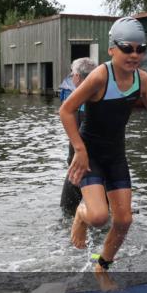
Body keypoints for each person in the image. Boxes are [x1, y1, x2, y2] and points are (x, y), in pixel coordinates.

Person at [59, 17, 147, 273]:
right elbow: (66, 111)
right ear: (112, 49)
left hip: (116, 155)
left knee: (124, 220)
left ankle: (102, 267)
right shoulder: (100, 76)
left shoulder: (143, 80)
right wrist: (79, 150)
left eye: (140, 49)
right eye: (127, 48)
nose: (134, 55)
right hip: (90, 154)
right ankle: (81, 214)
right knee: (99, 217)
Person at [60, 57, 96, 217]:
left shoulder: (78, 101)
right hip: (101, 166)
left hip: (80, 165)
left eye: (73, 74)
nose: (71, 76)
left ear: (78, 77)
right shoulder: (100, 97)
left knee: (67, 210)